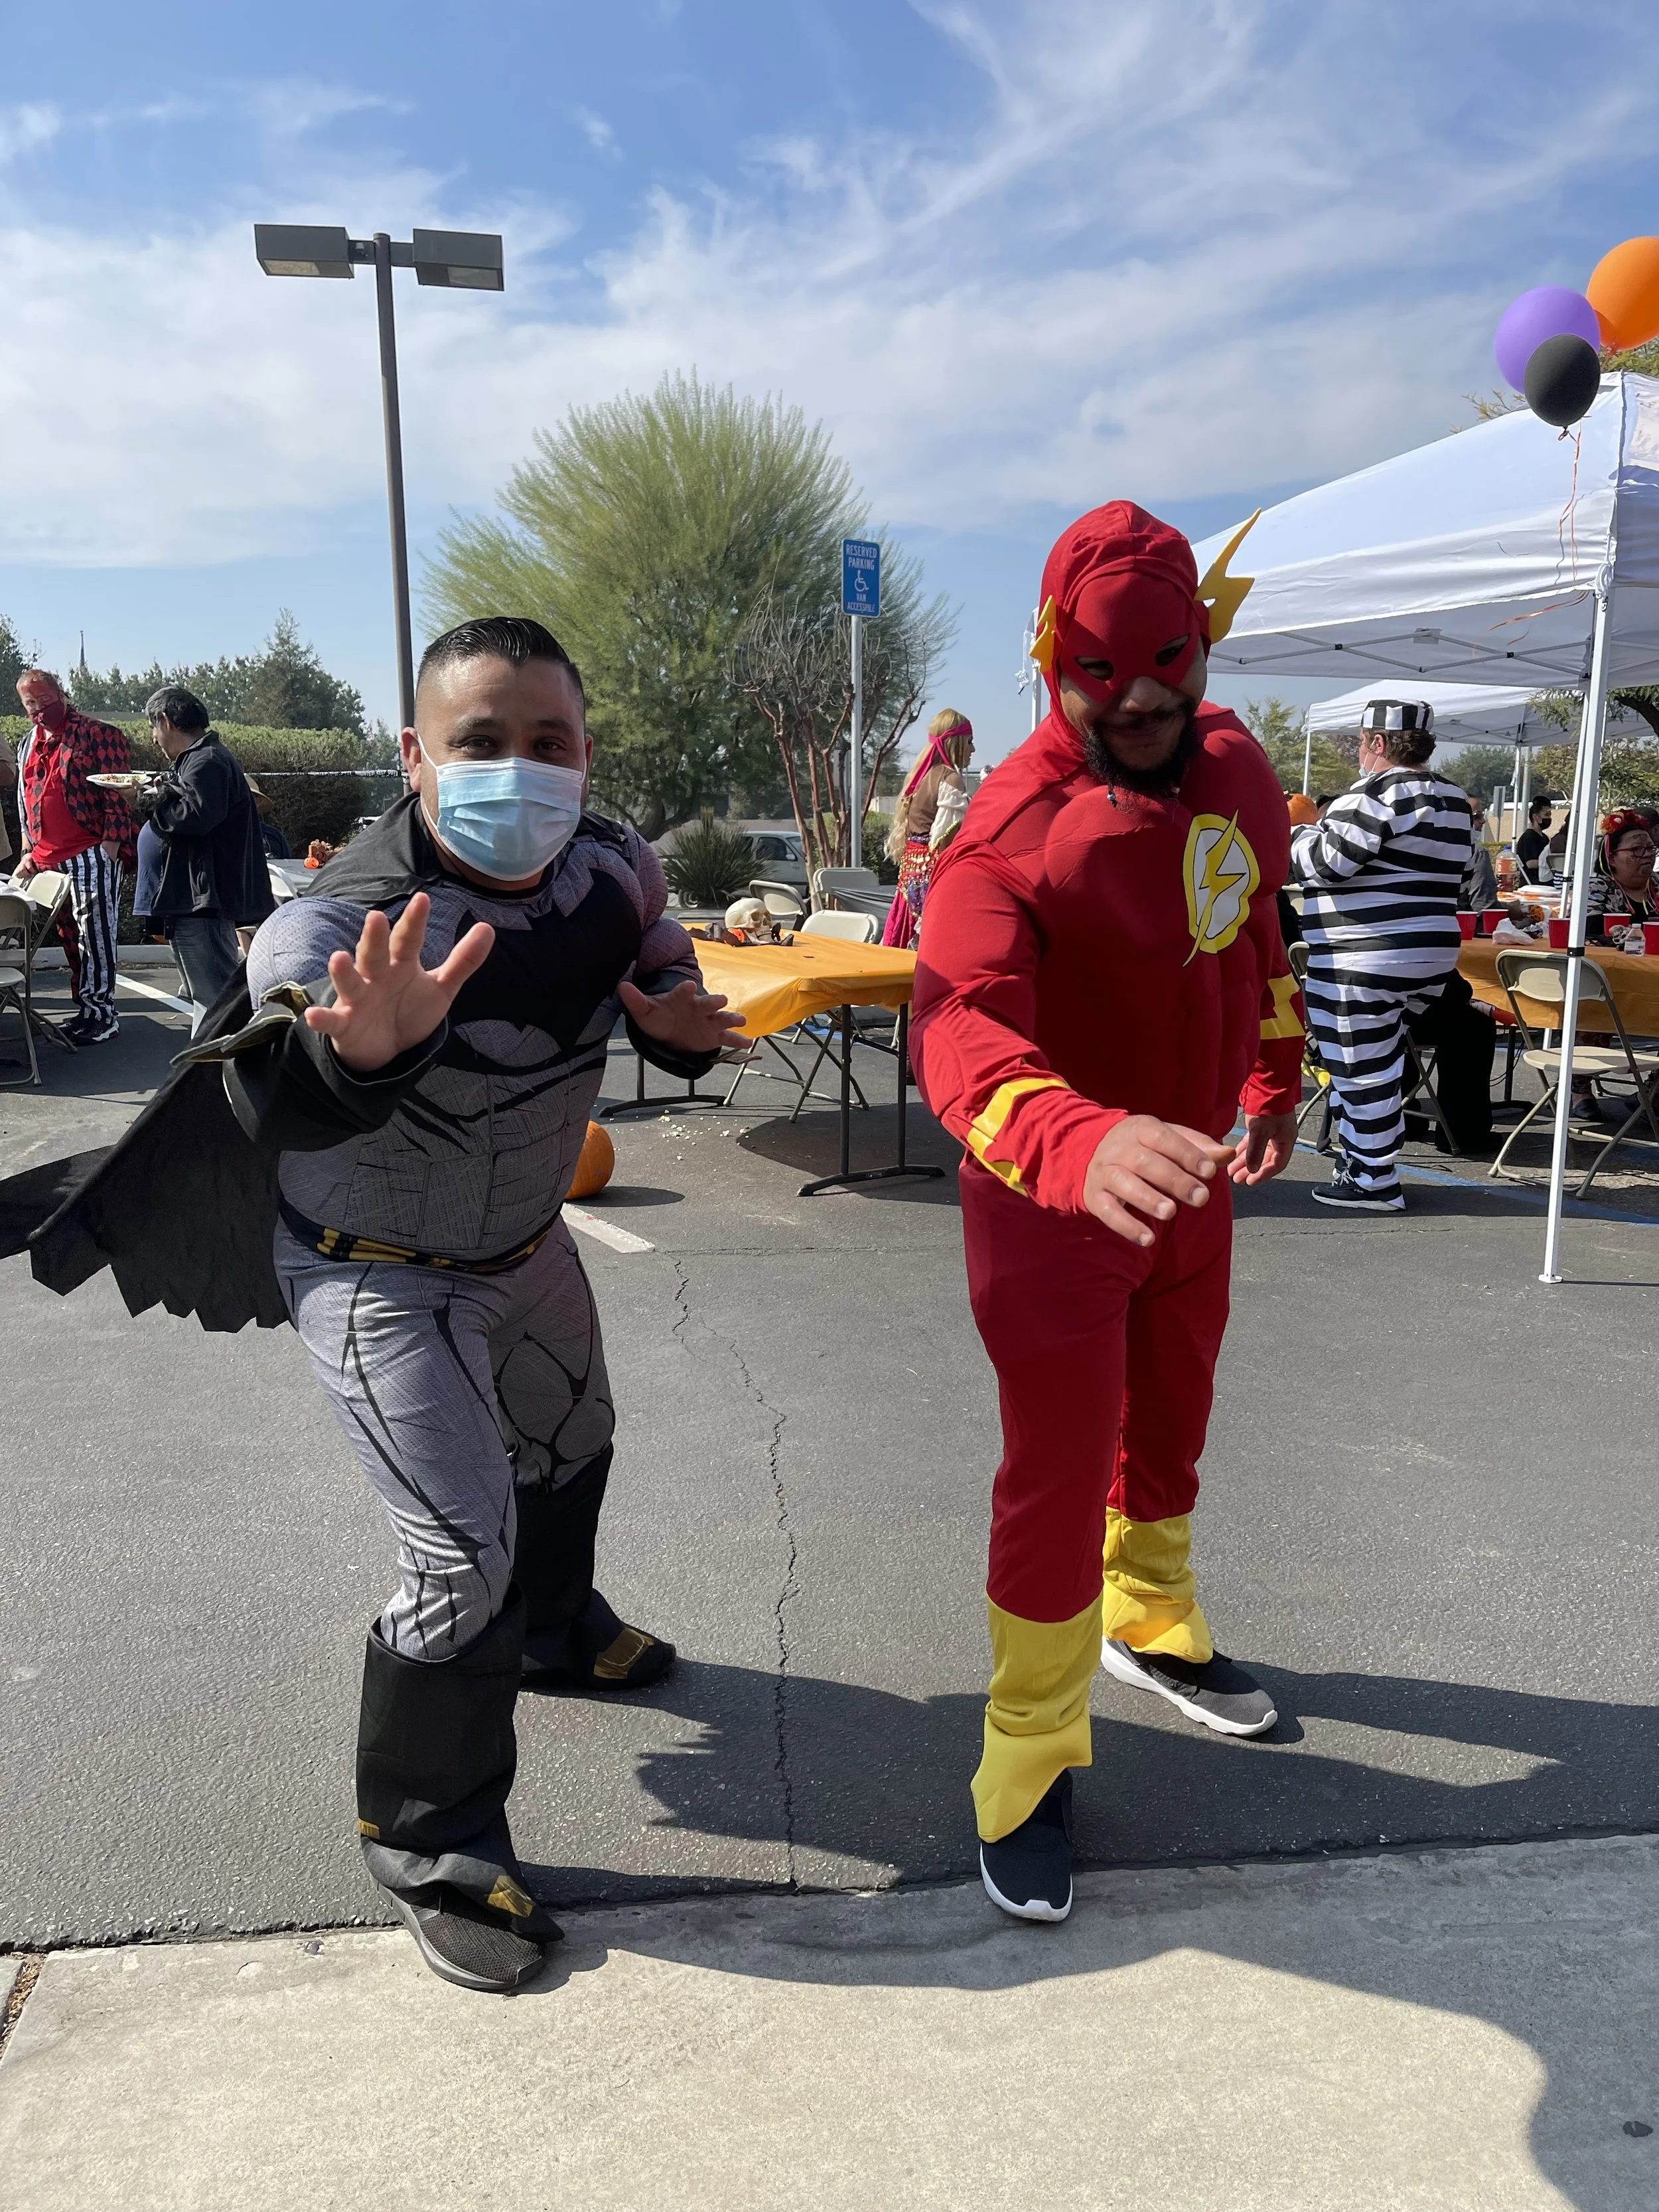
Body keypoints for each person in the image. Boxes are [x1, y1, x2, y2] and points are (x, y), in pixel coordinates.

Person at [7, 616, 744, 1996]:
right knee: (459, 1548)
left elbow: (654, 950)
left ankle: (553, 1630)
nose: (516, 771)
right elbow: (259, 1070)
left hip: (529, 1246)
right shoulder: (338, 919)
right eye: (478, 743)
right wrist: (351, 1057)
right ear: (417, 756)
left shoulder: (611, 860)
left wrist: (672, 1012)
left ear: (585, 756)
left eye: (548, 743)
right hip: (374, 1274)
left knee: (572, 1445)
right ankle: (433, 1840)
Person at [911, 502, 1303, 1923]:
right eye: (1097, 670)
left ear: (1201, 647)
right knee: (1057, 1469)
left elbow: (1252, 922)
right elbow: (956, 1031)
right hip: (1049, 1205)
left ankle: (1148, 1613)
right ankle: (1022, 1755)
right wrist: (1076, 1143)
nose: (1136, 695)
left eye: (1165, 660)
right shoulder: (1006, 829)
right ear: (1047, 664)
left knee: (1173, 1413)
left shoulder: (1238, 768)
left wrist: (1275, 1069)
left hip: (1192, 1179)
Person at [1288, 698, 1473, 1213]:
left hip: (1362, 956)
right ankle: (1362, 1160)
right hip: (1431, 955)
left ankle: (1373, 1179)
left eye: (1360, 742)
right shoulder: (1455, 800)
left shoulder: (1371, 794)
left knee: (1358, 1065)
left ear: (1376, 743)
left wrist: (1298, 833)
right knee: (1380, 1059)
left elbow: (1325, 863)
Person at [127, 687, 273, 1031]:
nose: (153, 739)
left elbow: (194, 816)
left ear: (165, 720)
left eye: (153, 727)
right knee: (207, 999)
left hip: (200, 904)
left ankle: (214, 1078)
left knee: (214, 1005)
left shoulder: (207, 760)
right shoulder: (199, 758)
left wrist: (145, 799)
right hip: (193, 901)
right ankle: (207, 1075)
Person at [11, 668, 137, 1044]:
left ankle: (101, 1013)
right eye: (30, 703)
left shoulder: (99, 734)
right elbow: (24, 800)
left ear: (61, 694)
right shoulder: (27, 743)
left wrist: (110, 846)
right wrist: (28, 851)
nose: (38, 709)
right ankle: (84, 1009)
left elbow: (119, 790)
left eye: (45, 699)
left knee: (95, 934)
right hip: (47, 855)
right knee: (69, 935)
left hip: (90, 850)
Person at [882, 710, 974, 947]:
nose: (973, 750)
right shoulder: (950, 779)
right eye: (970, 742)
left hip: (911, 875)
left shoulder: (922, 776)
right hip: (931, 879)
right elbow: (947, 845)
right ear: (957, 742)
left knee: (902, 941)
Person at [1585, 807, 1658, 928]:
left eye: (1651, 848)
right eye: (1636, 849)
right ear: (1612, 858)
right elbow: (1587, 929)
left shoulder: (1656, 883)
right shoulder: (1596, 889)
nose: (1648, 854)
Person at [1463, 798, 1498, 911]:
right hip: (1467, 925)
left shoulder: (1428, 848)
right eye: (1477, 816)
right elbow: (1484, 908)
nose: (1483, 821)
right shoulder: (1477, 853)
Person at [246, 779, 292, 859]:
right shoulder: (219, 835)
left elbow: (290, 866)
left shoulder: (273, 835)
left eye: (246, 796)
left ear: (258, 801)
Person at [1515, 796, 1554, 885]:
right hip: (1532, 884)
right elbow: (1531, 863)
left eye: (1550, 815)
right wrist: (1553, 863)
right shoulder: (1529, 837)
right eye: (1546, 815)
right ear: (1535, 817)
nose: (1549, 818)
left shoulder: (1544, 837)